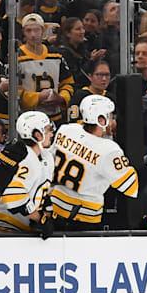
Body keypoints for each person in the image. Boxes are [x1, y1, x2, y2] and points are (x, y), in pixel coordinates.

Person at [50, 95, 139, 229]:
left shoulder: (65, 130)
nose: (112, 121)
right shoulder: (109, 149)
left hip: (54, 209)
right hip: (85, 218)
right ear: (101, 120)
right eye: (109, 116)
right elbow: (130, 187)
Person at [0, 110, 55, 233]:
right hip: (3, 225)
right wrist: (39, 219)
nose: (52, 134)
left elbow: (42, 188)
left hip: (22, 227)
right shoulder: (25, 157)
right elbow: (13, 196)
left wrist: (47, 212)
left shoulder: (45, 156)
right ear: (38, 134)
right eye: (48, 130)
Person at [17, 13, 74, 123]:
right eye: (28, 30)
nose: (33, 34)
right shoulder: (17, 56)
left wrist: (62, 98)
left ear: (43, 31)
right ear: (23, 32)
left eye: (36, 30)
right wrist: (37, 98)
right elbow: (14, 91)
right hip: (28, 119)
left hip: (56, 118)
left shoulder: (56, 55)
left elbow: (68, 83)